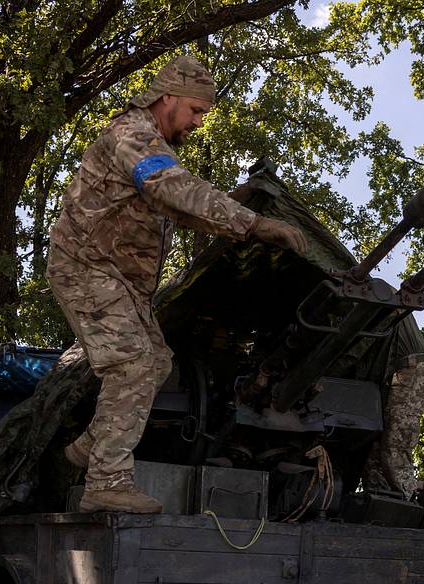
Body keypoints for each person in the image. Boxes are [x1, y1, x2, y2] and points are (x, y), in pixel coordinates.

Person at [47, 55, 309, 513]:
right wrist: (254, 223)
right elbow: (174, 188)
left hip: (117, 280)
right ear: (166, 97)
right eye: (195, 110)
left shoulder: (154, 148)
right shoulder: (132, 135)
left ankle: (91, 445)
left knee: (159, 364)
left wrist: (237, 214)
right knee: (130, 365)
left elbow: (183, 208)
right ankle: (106, 481)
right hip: (85, 268)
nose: (197, 122)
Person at [362, 317, 424, 498]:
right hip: (404, 373)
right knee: (376, 449)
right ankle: (380, 499)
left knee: (395, 446)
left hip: (412, 371)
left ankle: (409, 499)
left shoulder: (378, 297)